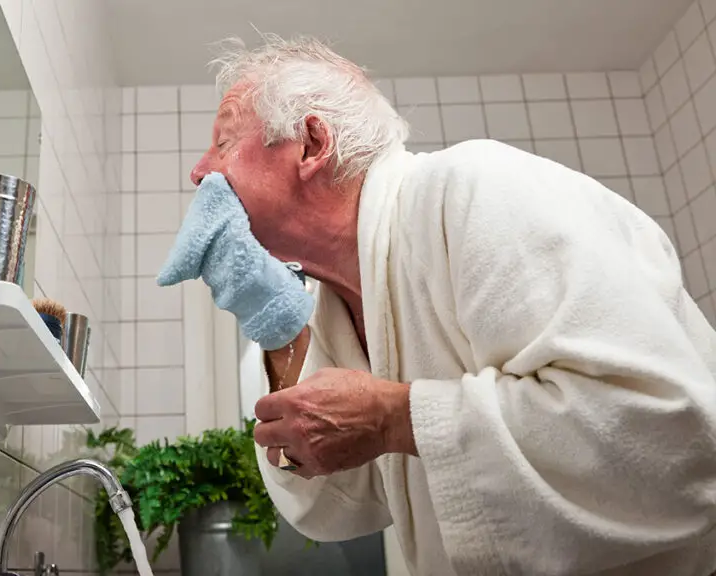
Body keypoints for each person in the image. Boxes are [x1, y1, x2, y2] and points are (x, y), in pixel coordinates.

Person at [156, 34, 716, 575]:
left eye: (224, 142)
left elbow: (670, 436)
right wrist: (275, 329)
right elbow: (335, 511)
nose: (200, 171)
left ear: (310, 144)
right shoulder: (325, 304)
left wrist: (394, 418)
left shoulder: (476, 187)